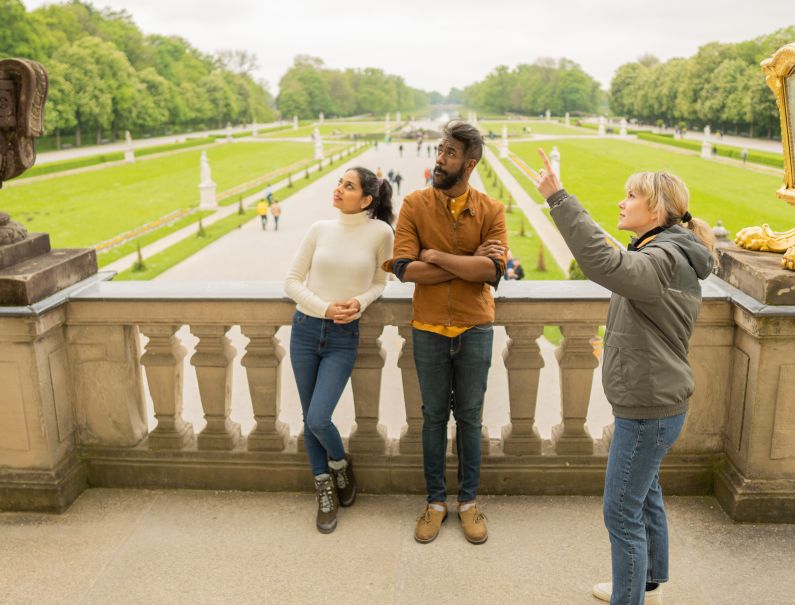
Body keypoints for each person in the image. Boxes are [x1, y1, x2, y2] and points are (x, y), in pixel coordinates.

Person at [534, 150, 715, 605]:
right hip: (656, 402)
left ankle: (628, 596)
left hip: (649, 409)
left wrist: (559, 198)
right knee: (645, 493)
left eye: (631, 196)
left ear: (656, 211)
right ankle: (649, 584)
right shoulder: (665, 251)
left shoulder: (663, 257)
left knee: (621, 513)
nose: (621, 202)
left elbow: (605, 265)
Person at [382, 121, 507, 546]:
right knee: (433, 418)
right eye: (439, 150)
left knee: (470, 418)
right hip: (428, 328)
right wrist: (462, 260)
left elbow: (491, 272)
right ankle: (436, 502)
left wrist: (433, 256)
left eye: (449, 153)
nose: (439, 158)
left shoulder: (492, 210)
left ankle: (468, 503)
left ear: (469, 163)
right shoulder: (415, 205)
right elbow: (403, 269)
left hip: (474, 327)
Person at [284, 167, 395, 534]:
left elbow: (381, 281)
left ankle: (340, 464)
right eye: (338, 183)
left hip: (343, 337)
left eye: (348, 186)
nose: (338, 189)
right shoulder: (319, 229)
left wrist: (358, 303)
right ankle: (326, 485)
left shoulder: (381, 232)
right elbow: (291, 281)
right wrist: (325, 308)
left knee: (318, 419)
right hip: (305, 331)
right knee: (309, 418)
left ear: (366, 199)